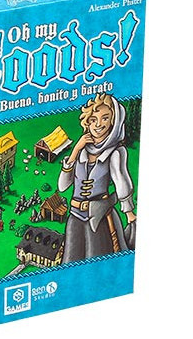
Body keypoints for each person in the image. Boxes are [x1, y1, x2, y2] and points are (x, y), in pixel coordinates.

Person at [58, 94, 136, 262]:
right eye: (93, 120)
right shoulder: (81, 151)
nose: (98, 124)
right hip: (75, 217)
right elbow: (63, 186)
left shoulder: (115, 152)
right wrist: (75, 150)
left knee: (97, 259)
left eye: (105, 118)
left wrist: (129, 213)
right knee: (70, 260)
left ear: (113, 122)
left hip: (99, 217)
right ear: (87, 122)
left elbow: (121, 181)